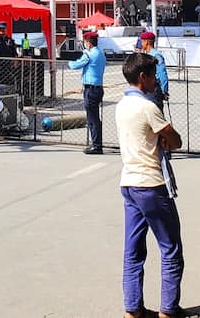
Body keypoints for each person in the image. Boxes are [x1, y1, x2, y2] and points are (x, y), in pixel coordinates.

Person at [117, 52, 185, 318]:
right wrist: (167, 139)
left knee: (132, 250)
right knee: (170, 248)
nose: (156, 81)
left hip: (129, 182)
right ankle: (168, 309)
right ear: (142, 77)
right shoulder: (148, 107)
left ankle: (133, 309)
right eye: (153, 76)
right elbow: (174, 139)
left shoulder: (122, 104)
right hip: (151, 183)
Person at [69, 32, 107, 154]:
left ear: (88, 43)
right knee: (95, 118)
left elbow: (75, 65)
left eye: (85, 42)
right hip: (98, 87)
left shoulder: (89, 54)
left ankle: (96, 145)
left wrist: (69, 62)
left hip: (91, 89)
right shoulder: (101, 53)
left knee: (92, 119)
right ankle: (97, 143)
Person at [136, 31, 168, 108]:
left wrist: (164, 90)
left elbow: (162, 73)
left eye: (142, 41)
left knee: (155, 113)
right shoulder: (147, 55)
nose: (141, 44)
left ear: (146, 42)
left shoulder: (156, 55)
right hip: (146, 88)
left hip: (154, 88)